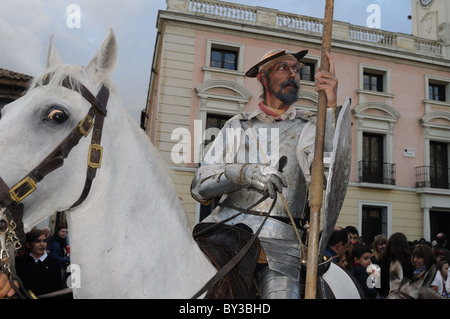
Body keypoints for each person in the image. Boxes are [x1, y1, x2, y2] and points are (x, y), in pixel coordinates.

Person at [191, 48, 345, 299]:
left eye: (297, 69)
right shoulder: (237, 125)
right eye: (284, 68)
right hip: (222, 230)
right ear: (263, 79)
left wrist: (330, 108)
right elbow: (199, 186)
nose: (293, 74)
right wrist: (243, 174)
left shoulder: (308, 129)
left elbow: (328, 177)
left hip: (279, 244)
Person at [14, 228, 63, 296]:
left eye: (44, 241)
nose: (42, 244)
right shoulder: (20, 261)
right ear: (28, 244)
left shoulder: (53, 262)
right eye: (38, 241)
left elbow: (58, 288)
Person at [379, 232, 414, 298]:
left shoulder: (382, 259)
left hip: (383, 295)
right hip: (402, 295)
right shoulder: (408, 261)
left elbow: (376, 281)